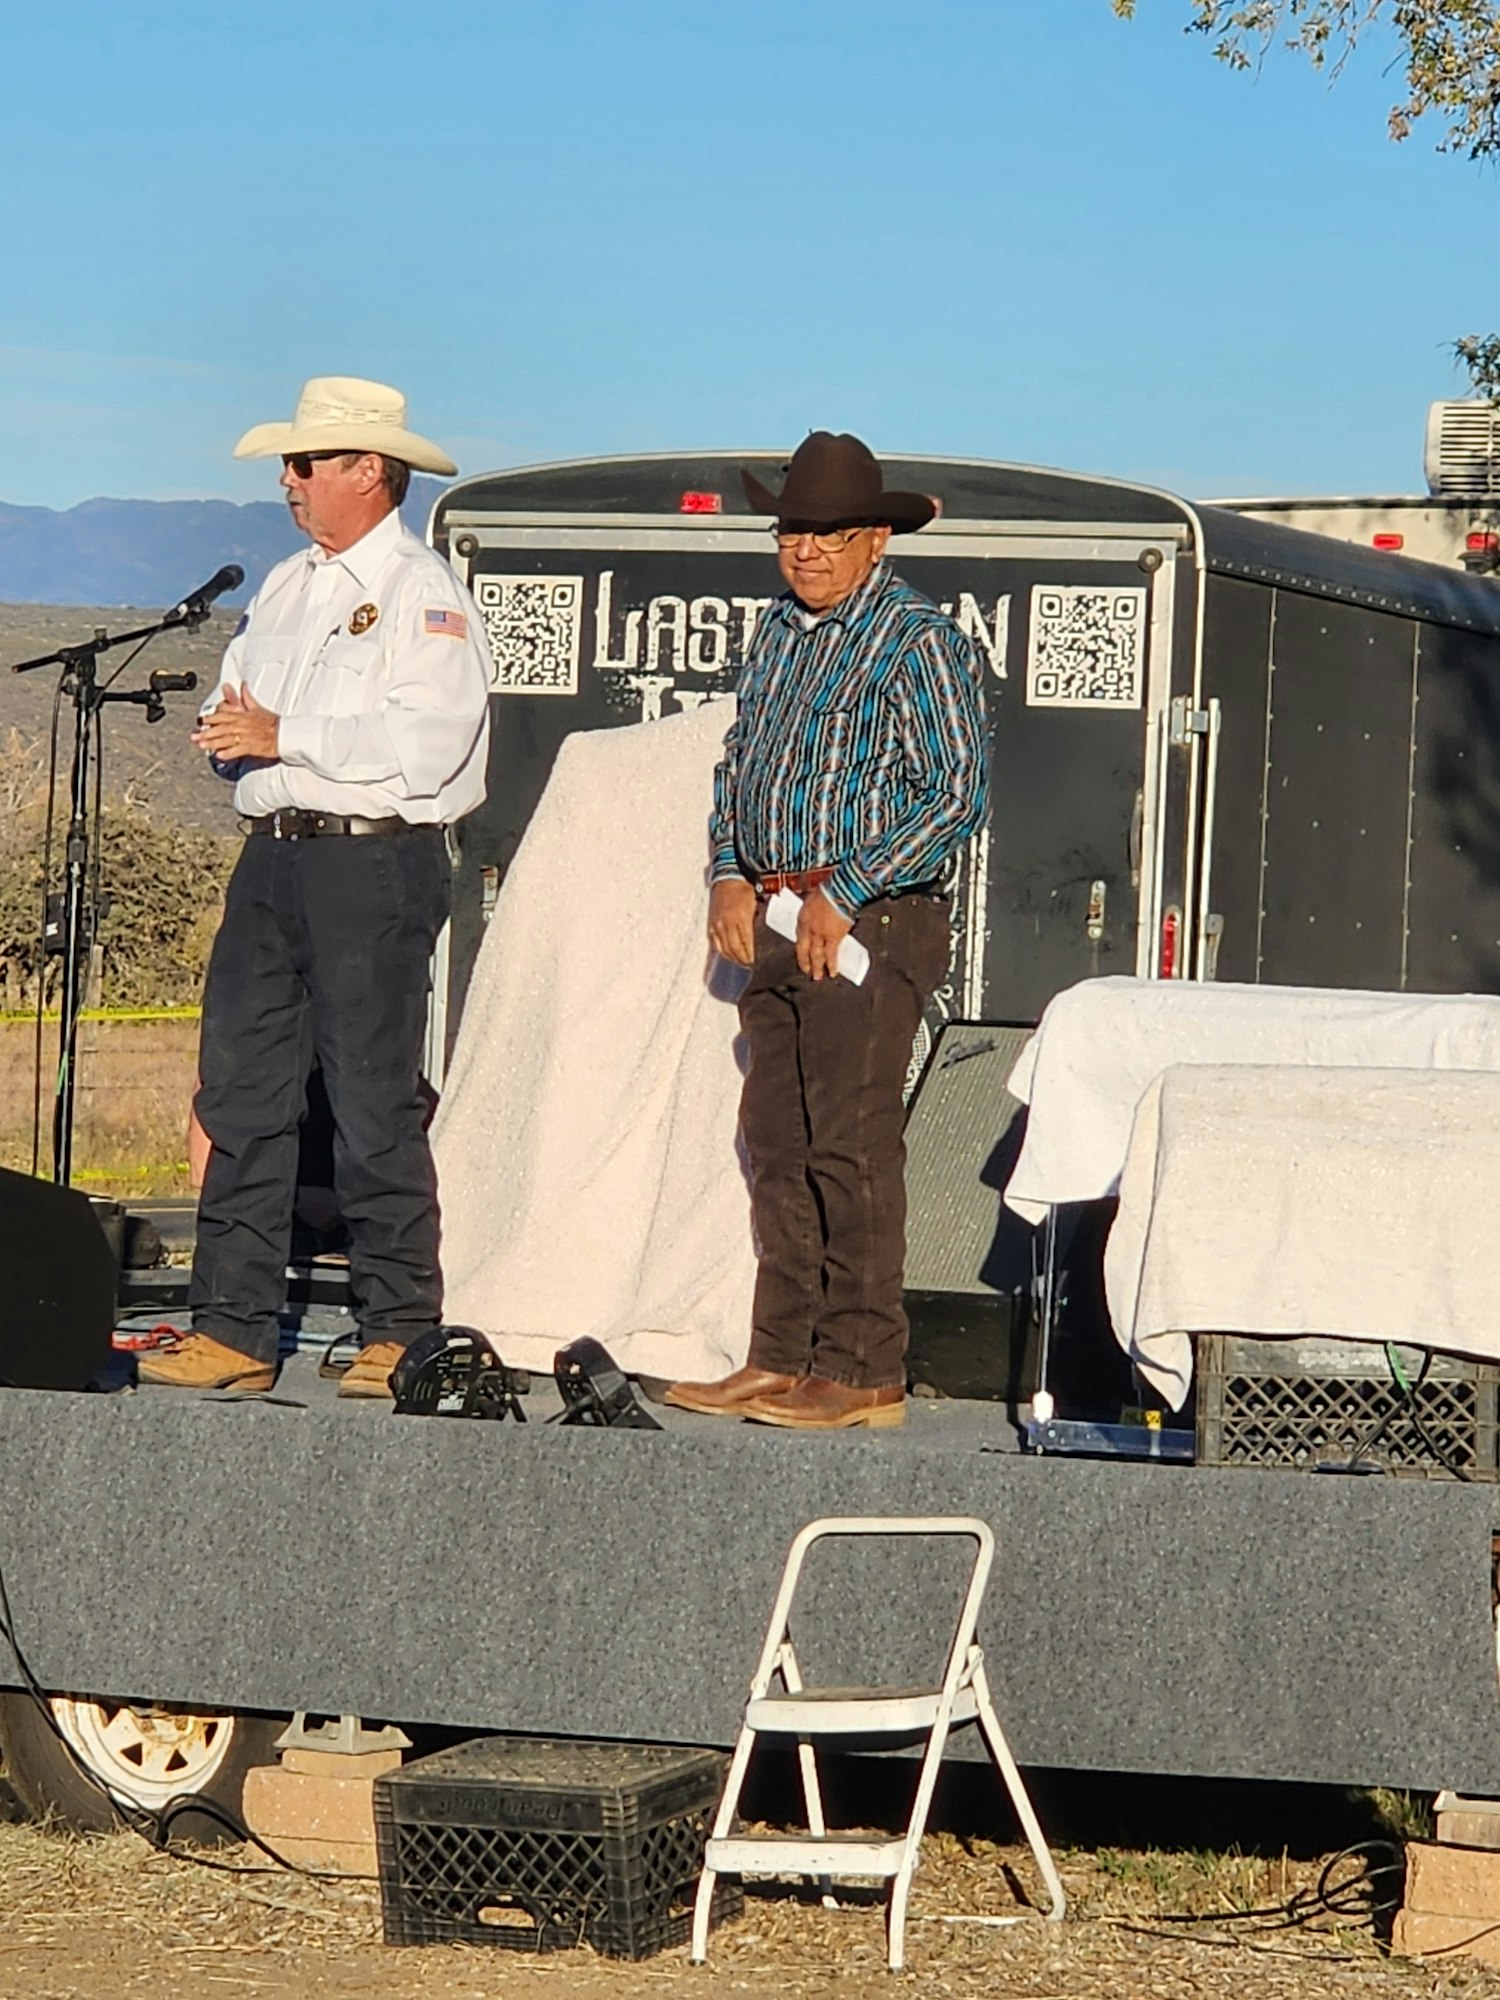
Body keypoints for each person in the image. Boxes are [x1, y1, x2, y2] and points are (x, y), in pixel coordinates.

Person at [140, 377, 492, 1398]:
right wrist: (235, 737)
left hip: (370, 859)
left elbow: (428, 747)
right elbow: (231, 708)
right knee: (242, 1088)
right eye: (288, 465)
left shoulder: (422, 593)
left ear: (368, 471)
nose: (288, 483)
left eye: (304, 462)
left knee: (371, 1092)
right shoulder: (289, 585)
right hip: (275, 853)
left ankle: (399, 1324)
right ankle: (235, 1325)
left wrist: (285, 734)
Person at [666, 432, 989, 1431]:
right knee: (776, 1136)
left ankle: (862, 1368)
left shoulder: (916, 638)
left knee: (848, 1142)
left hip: (870, 919)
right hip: (771, 912)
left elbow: (954, 792)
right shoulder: (777, 631)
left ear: (875, 540)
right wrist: (728, 869)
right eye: (792, 530)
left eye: (830, 533)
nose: (806, 550)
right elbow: (738, 766)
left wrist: (843, 889)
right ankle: (782, 1354)